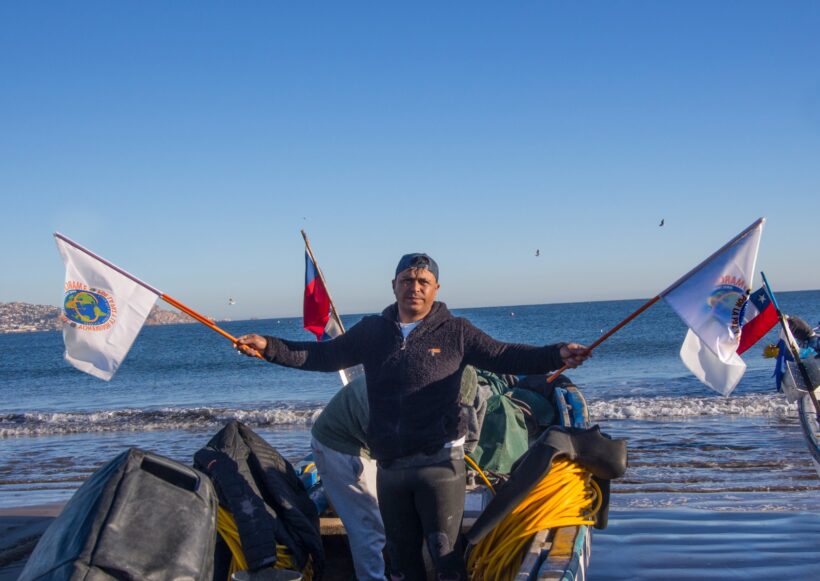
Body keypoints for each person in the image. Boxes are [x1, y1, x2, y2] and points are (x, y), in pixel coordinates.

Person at [237, 253, 590, 580]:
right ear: (394, 286)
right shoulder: (372, 331)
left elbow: (505, 355)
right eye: (407, 280)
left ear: (436, 288)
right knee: (403, 560)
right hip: (390, 468)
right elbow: (322, 356)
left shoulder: (457, 332)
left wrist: (557, 354)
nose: (415, 288)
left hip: (440, 466)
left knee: (444, 553)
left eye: (423, 281)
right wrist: (270, 348)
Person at [310, 375, 386, 581]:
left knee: (377, 518)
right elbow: (390, 451)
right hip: (340, 447)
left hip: (356, 437)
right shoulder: (386, 396)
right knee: (369, 525)